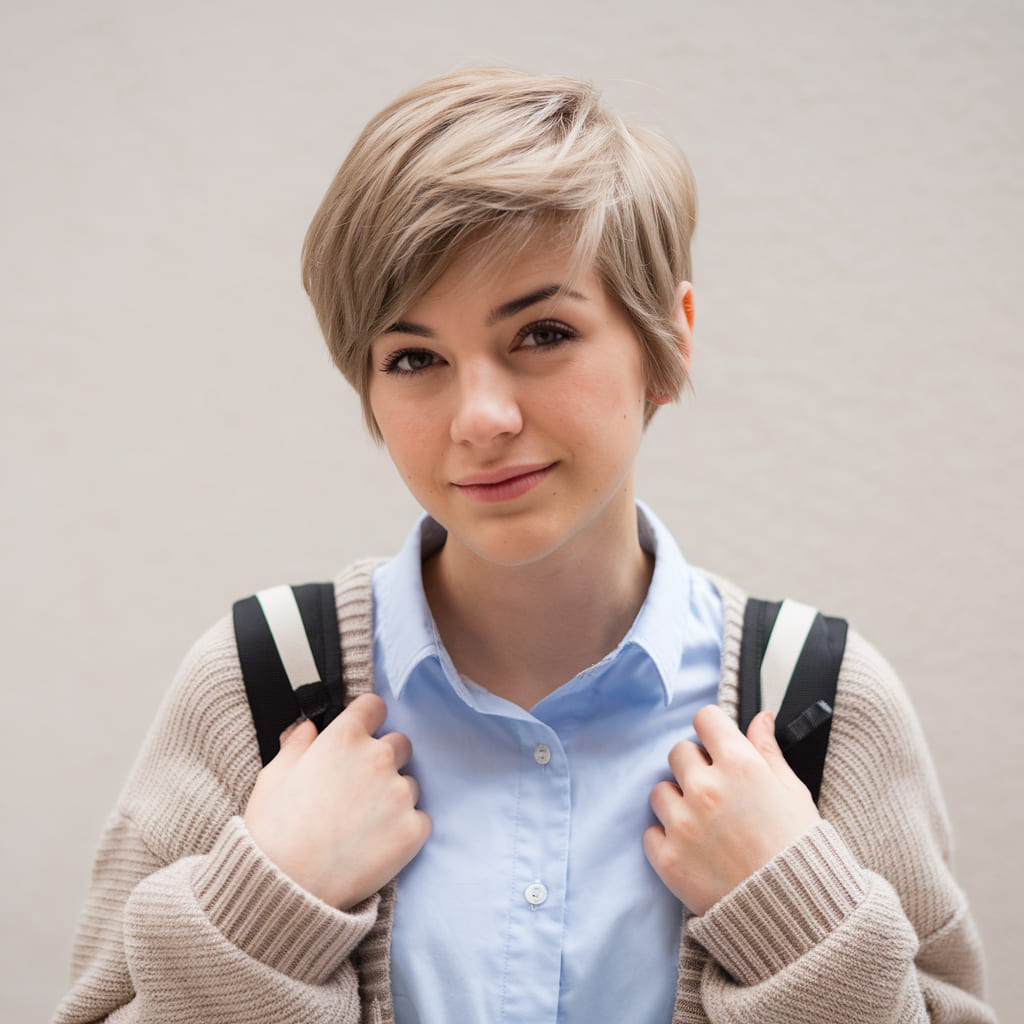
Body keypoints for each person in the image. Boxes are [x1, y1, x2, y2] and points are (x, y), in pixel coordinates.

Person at [54, 68, 995, 1024]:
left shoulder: (821, 710)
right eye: (414, 358)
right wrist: (263, 912)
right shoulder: (254, 688)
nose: (483, 417)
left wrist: (800, 921)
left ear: (669, 339)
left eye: (543, 332)